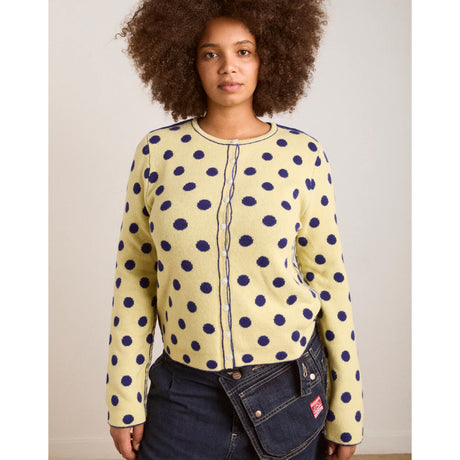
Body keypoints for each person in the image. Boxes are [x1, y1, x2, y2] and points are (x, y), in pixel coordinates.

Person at [106, 1, 363, 459]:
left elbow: (329, 281)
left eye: (244, 51)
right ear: (188, 61)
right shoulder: (157, 152)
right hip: (184, 392)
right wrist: (123, 398)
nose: (228, 66)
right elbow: (136, 278)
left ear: (270, 59)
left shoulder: (302, 155)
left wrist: (348, 410)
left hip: (287, 389)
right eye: (211, 53)